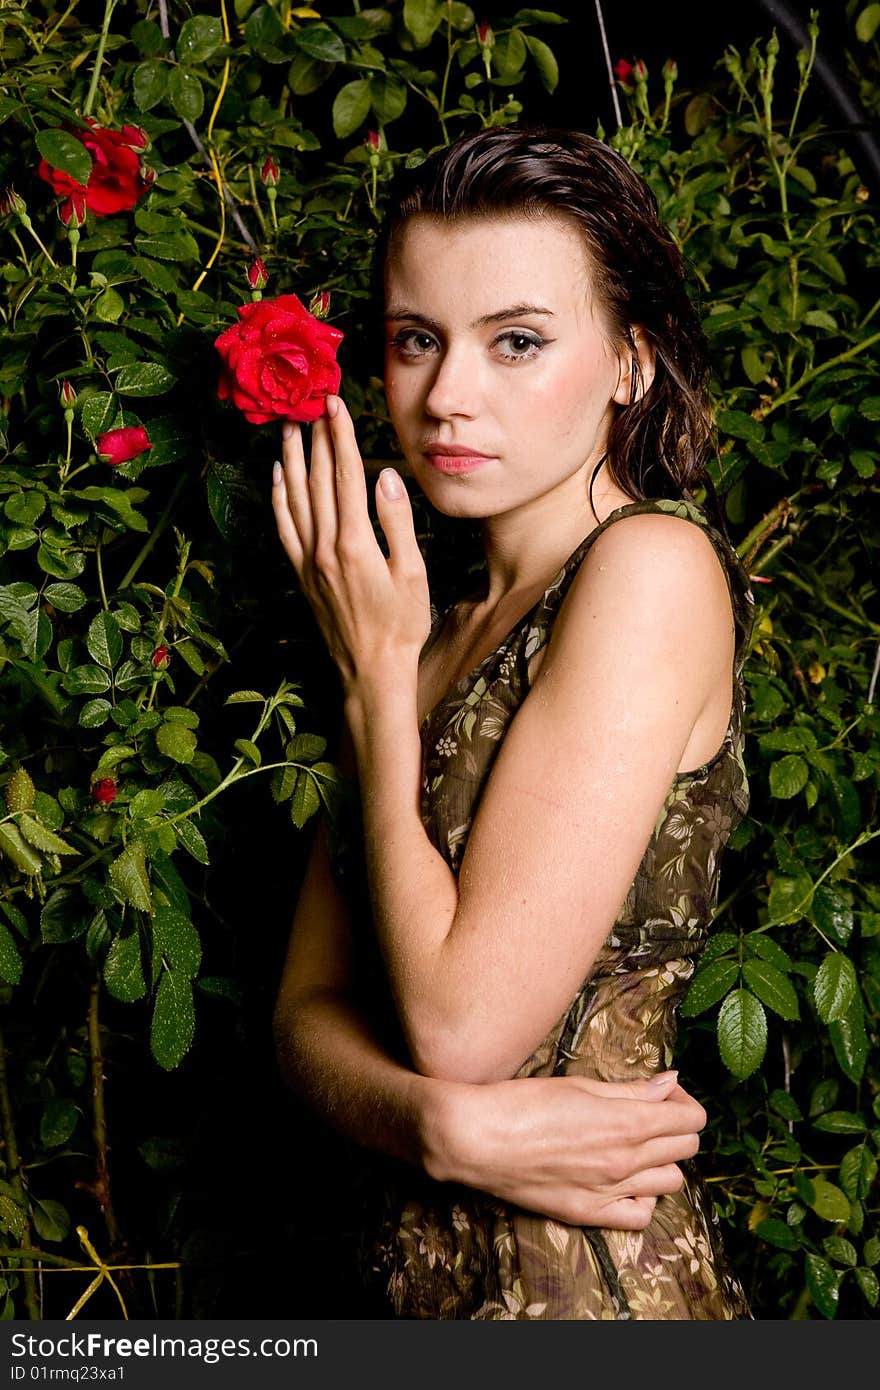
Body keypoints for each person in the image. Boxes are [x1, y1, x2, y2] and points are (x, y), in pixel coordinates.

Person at [270, 125, 754, 1320]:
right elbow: (301, 1017)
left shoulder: (648, 569)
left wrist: (377, 686)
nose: (446, 397)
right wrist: (440, 1130)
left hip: (590, 1299)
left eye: (518, 342)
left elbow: (460, 1027)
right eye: (415, 341)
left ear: (631, 360)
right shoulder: (418, 629)